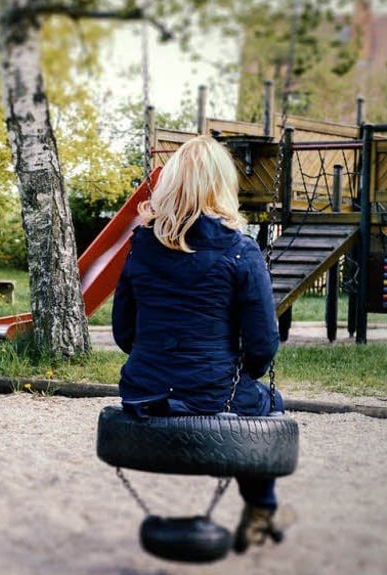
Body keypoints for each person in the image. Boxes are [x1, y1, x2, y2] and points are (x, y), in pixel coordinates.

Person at [111, 134, 292, 553]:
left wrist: (158, 358)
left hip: (144, 395)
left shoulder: (141, 245)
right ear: (222, 186)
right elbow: (263, 346)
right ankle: (262, 509)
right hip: (214, 394)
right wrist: (234, 373)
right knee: (269, 405)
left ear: (171, 184)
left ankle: (261, 514)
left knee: (252, 398)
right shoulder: (241, 250)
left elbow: (124, 334)